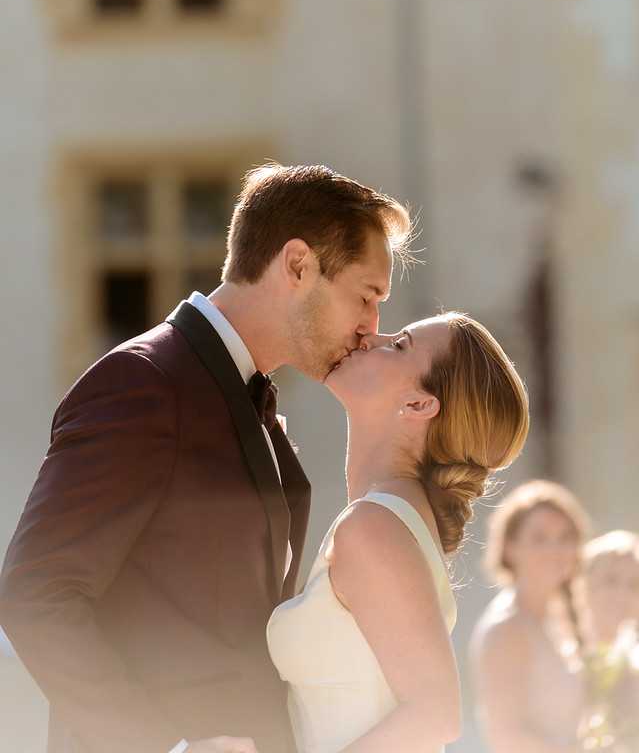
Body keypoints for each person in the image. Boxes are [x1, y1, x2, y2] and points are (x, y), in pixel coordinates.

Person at [0, 163, 411, 753]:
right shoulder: (142, 382)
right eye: (366, 296)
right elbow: (36, 595)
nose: (374, 327)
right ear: (298, 264)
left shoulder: (249, 396)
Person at [268, 311, 530, 753]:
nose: (372, 336)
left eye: (401, 344)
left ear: (419, 405)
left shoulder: (374, 528)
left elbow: (435, 715)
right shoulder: (390, 519)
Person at [471, 480, 589, 753]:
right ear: (510, 547)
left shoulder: (560, 621)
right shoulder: (506, 629)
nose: (555, 550)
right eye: (540, 538)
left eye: (565, 538)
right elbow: (505, 738)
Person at [577, 530, 639, 751]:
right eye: (611, 580)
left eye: (633, 585)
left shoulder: (632, 657)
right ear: (584, 583)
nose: (622, 594)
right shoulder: (564, 651)